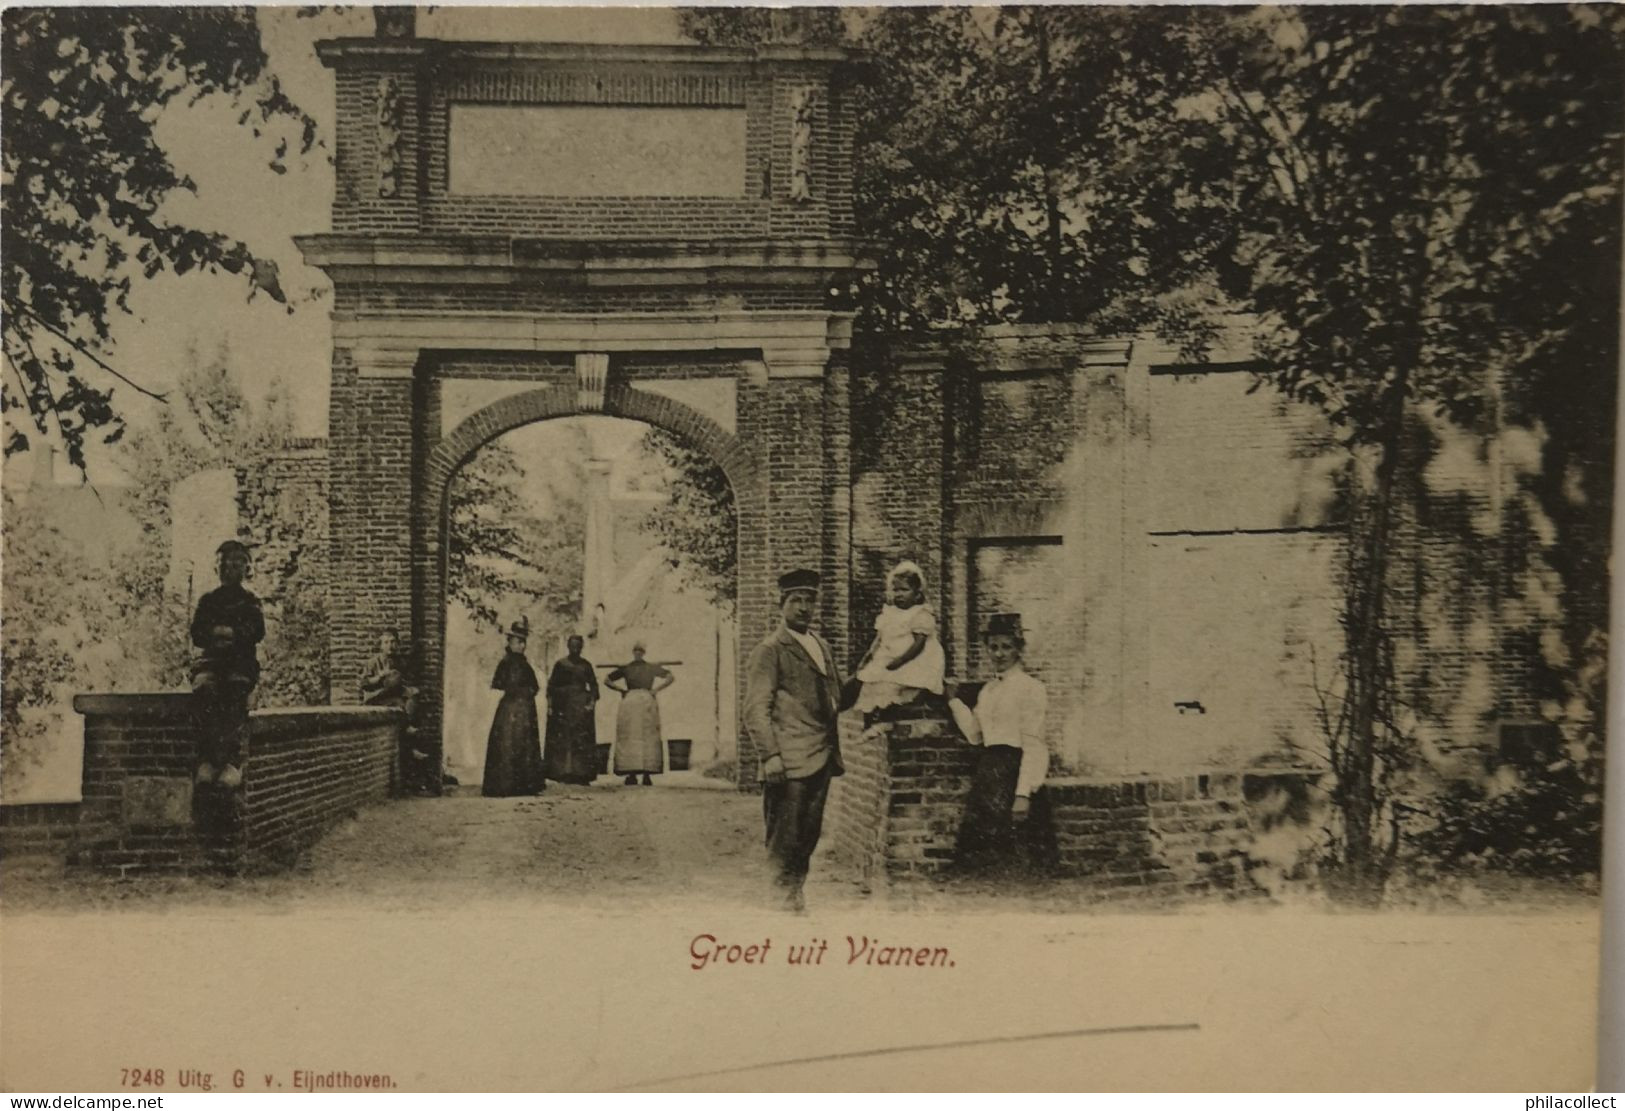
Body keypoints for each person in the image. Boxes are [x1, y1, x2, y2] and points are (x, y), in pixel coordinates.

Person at [744, 568, 845, 911]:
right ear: (782, 604)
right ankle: (779, 903)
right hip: (788, 761)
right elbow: (755, 709)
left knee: (807, 836)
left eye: (810, 600)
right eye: (796, 600)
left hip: (822, 755)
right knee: (784, 839)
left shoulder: (821, 645)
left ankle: (794, 897)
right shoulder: (770, 650)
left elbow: (837, 696)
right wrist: (770, 755)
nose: (804, 607)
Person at [954, 612, 1050, 873]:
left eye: (1006, 647)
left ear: (1019, 649)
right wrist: (953, 701)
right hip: (989, 773)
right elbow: (975, 735)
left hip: (1014, 770)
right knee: (980, 863)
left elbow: (1034, 744)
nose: (999, 654)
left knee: (1017, 859)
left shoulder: (1032, 689)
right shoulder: (988, 691)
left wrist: (1023, 794)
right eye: (993, 647)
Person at [189, 539, 265, 791]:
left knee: (234, 691)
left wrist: (227, 633)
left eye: (235, 564)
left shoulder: (251, 602)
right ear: (216, 568)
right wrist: (220, 634)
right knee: (204, 690)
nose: (228, 569)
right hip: (211, 663)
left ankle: (232, 761)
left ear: (245, 568)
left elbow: (255, 631)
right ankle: (207, 760)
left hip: (239, 664)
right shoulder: (208, 600)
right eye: (223, 564)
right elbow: (198, 633)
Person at [851, 559, 946, 716]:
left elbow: (919, 645)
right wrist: (868, 657)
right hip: (889, 655)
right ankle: (872, 714)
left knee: (896, 685)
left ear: (916, 594)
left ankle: (890, 708)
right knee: (870, 683)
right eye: (895, 590)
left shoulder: (920, 614)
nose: (899, 594)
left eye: (904, 590)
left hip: (914, 658)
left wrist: (900, 661)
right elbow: (879, 639)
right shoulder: (889, 613)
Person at [360, 629, 433, 794]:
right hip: (376, 698)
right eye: (386, 642)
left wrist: (410, 690)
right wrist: (380, 677)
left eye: (393, 642)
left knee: (410, 697)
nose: (390, 646)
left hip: (393, 698)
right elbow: (364, 683)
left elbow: (402, 684)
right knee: (399, 699)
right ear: (380, 645)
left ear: (397, 644)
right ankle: (411, 742)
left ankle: (408, 731)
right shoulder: (373, 662)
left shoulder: (398, 663)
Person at [482, 617, 544, 798]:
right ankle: (505, 785)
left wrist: (527, 694)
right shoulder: (506, 662)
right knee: (508, 743)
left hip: (525, 708)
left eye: (523, 642)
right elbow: (498, 684)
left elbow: (535, 686)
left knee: (523, 743)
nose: (522, 646)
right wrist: (518, 692)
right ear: (510, 642)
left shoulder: (524, 663)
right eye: (518, 642)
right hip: (511, 708)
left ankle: (524, 785)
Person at [606, 642, 674, 786]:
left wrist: (656, 690)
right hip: (629, 703)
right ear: (633, 652)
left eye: (640, 651)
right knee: (630, 736)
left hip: (647, 701)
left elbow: (670, 677)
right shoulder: (626, 668)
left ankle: (647, 774)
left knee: (648, 736)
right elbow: (607, 680)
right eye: (636, 651)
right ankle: (631, 774)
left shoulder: (651, 667)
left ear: (643, 652)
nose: (638, 653)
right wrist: (621, 690)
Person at [544, 634, 600, 785]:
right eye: (572, 645)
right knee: (564, 739)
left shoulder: (586, 665)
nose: (575, 648)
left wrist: (591, 703)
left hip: (581, 706)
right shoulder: (560, 664)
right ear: (568, 646)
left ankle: (582, 774)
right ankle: (563, 773)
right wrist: (550, 705)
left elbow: (594, 685)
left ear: (581, 647)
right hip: (563, 705)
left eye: (578, 645)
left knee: (581, 739)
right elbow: (551, 686)